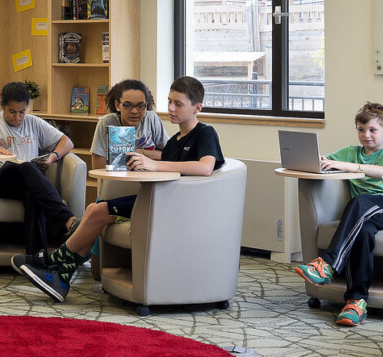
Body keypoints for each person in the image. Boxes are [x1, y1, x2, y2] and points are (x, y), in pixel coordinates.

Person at [12, 76, 224, 303]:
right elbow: (164, 165)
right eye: (169, 102)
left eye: (178, 104)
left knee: (97, 210)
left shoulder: (205, 133)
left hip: (172, 205)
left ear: (197, 107)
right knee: (94, 208)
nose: (170, 108)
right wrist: (143, 159)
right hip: (156, 199)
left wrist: (152, 163)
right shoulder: (174, 141)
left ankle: (53, 265)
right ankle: (60, 275)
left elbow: (205, 167)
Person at [291, 102, 383, 328]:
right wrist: (313, 160)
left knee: (360, 201)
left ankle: (327, 264)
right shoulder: (351, 152)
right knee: (363, 232)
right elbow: (323, 161)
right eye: (361, 130)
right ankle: (356, 302)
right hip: (364, 216)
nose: (366, 135)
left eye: (373, 130)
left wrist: (346, 166)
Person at [0, 81, 77, 261]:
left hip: (27, 181)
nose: (17, 117)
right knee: (24, 167)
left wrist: (52, 157)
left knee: (32, 191)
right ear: (3, 106)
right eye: (12, 112)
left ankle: (36, 257)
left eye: (22, 112)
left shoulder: (34, 122)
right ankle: (67, 220)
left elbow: (67, 142)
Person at [89, 79, 168, 169]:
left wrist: (139, 152)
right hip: (118, 181)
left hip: (149, 179)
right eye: (127, 105)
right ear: (117, 105)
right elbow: (98, 169)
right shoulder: (107, 123)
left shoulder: (151, 119)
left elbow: (170, 155)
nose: (134, 111)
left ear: (146, 106)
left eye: (140, 105)